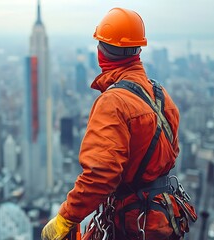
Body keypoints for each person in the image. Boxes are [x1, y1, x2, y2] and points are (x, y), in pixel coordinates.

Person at [42, 7, 182, 240]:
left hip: (132, 222)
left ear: (101, 53)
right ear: (138, 50)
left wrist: (65, 218)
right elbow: (171, 153)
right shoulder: (161, 96)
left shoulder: (113, 102)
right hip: (162, 218)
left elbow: (100, 174)